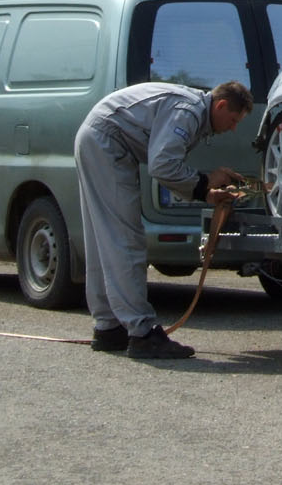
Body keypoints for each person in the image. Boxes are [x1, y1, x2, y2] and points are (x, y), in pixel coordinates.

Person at [74, 80, 252, 359]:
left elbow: (165, 162)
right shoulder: (189, 111)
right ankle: (142, 333)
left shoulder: (191, 107)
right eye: (232, 120)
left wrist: (205, 189)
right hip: (107, 143)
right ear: (220, 105)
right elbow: (162, 165)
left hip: (97, 137)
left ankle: (109, 327)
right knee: (125, 241)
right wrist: (205, 182)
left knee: (104, 240)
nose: (233, 129)